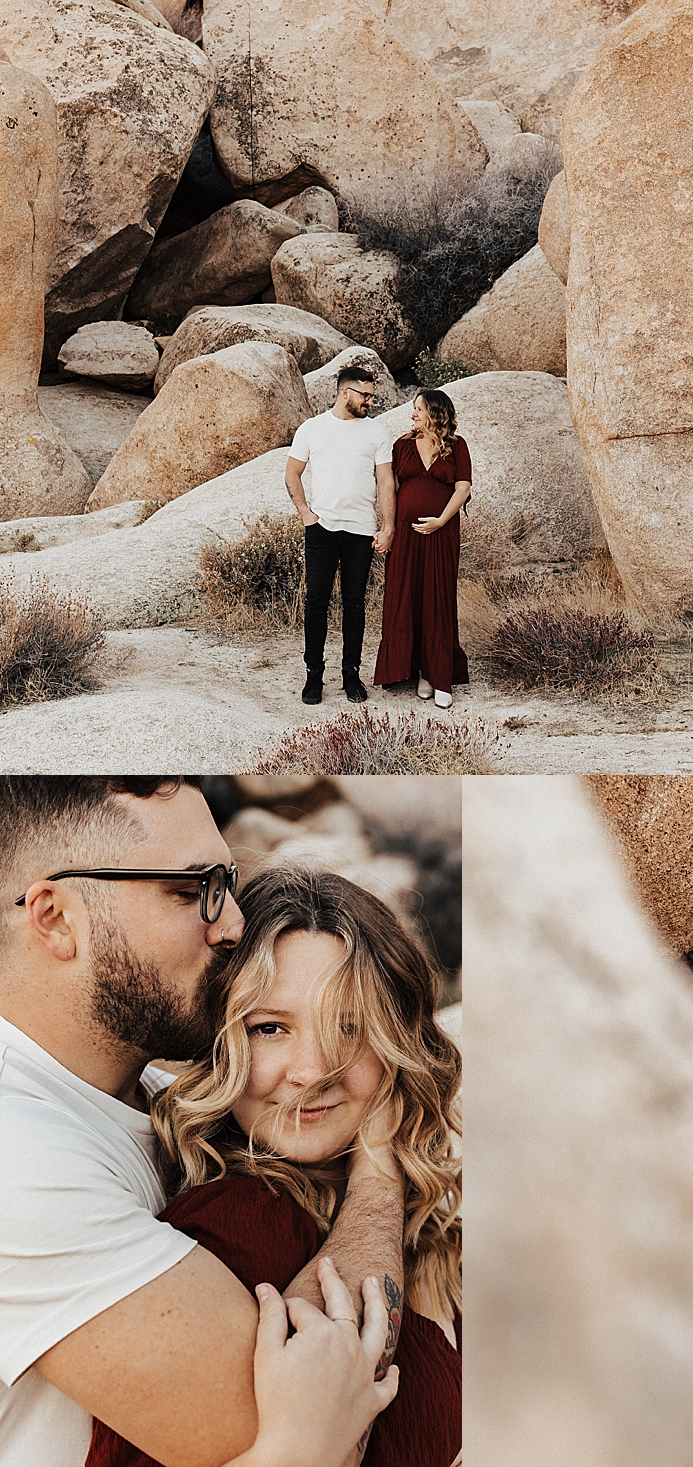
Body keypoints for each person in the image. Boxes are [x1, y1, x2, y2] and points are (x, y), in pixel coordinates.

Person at [0, 776, 404, 1467]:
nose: (234, 923)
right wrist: (381, 1171)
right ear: (55, 916)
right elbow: (300, 1428)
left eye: (229, 883)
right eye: (191, 892)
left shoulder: (156, 1091)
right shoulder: (22, 1163)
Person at [87, 864, 461, 1467]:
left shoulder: (436, 1227)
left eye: (351, 1025)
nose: (313, 1070)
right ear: (220, 1044)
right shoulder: (234, 1227)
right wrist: (378, 1170)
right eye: (269, 1028)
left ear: (400, 1043)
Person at [285, 367, 396, 707]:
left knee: (355, 604)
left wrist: (387, 526)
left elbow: (386, 482)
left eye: (372, 396)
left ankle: (351, 674)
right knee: (316, 602)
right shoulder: (312, 429)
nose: (370, 401)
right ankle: (313, 676)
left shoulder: (377, 432)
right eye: (365, 395)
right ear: (345, 393)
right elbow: (292, 472)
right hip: (322, 529)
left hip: (361, 529)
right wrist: (306, 513)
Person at [374, 390, 472, 711]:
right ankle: (415, 671)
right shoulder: (402, 445)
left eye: (418, 408)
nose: (412, 413)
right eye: (413, 408)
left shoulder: (457, 446)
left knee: (438, 596)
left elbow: (463, 488)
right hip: (407, 535)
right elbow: (391, 488)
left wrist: (441, 520)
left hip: (441, 533)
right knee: (408, 594)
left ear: (435, 412)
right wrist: (389, 527)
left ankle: (437, 676)